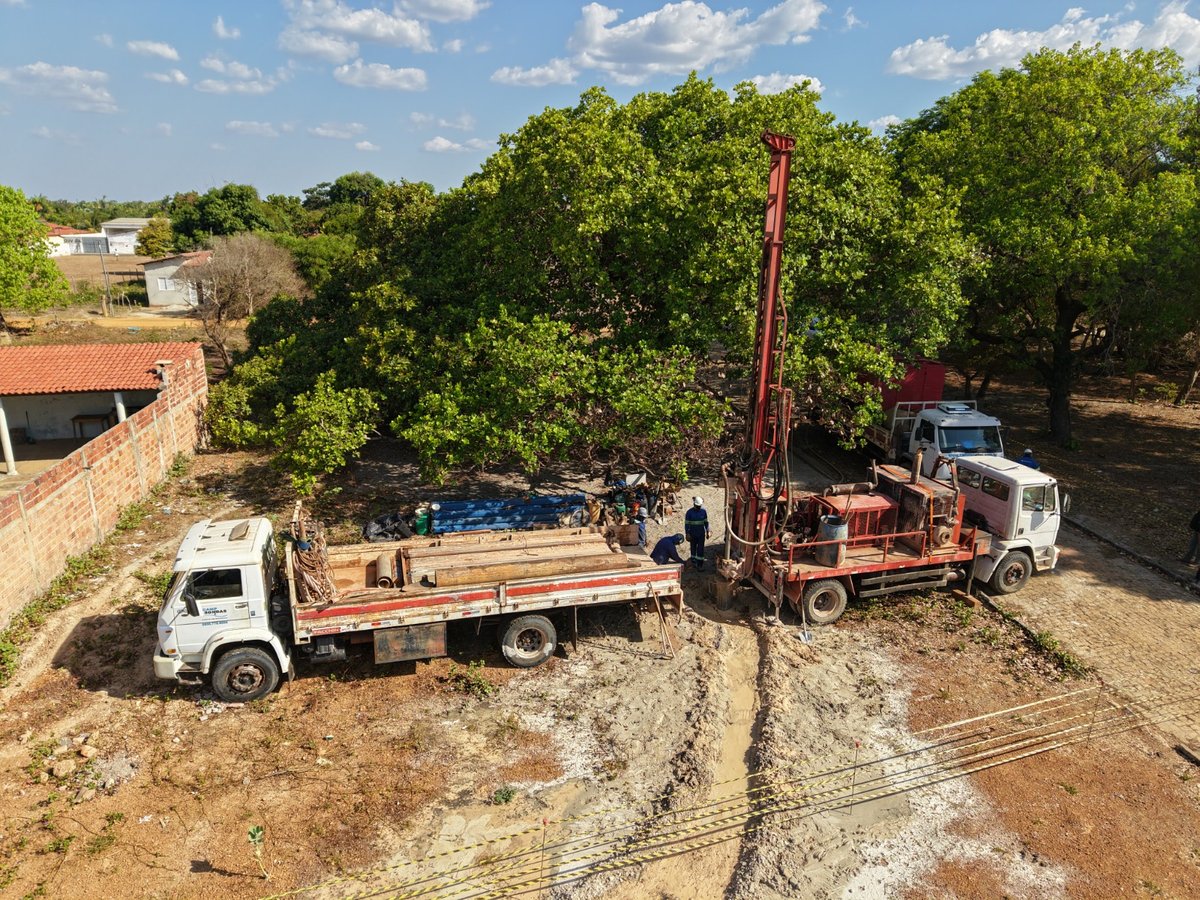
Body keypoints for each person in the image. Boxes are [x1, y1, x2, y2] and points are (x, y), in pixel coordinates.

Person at [684, 496, 711, 569]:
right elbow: (687, 524)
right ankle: (693, 561)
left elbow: (706, 522)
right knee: (693, 547)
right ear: (694, 504)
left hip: (701, 534)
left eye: (699, 506)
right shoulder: (689, 513)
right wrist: (687, 533)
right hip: (692, 534)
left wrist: (708, 530)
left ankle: (700, 564)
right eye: (697, 506)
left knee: (700, 548)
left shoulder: (703, 511)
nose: (698, 507)